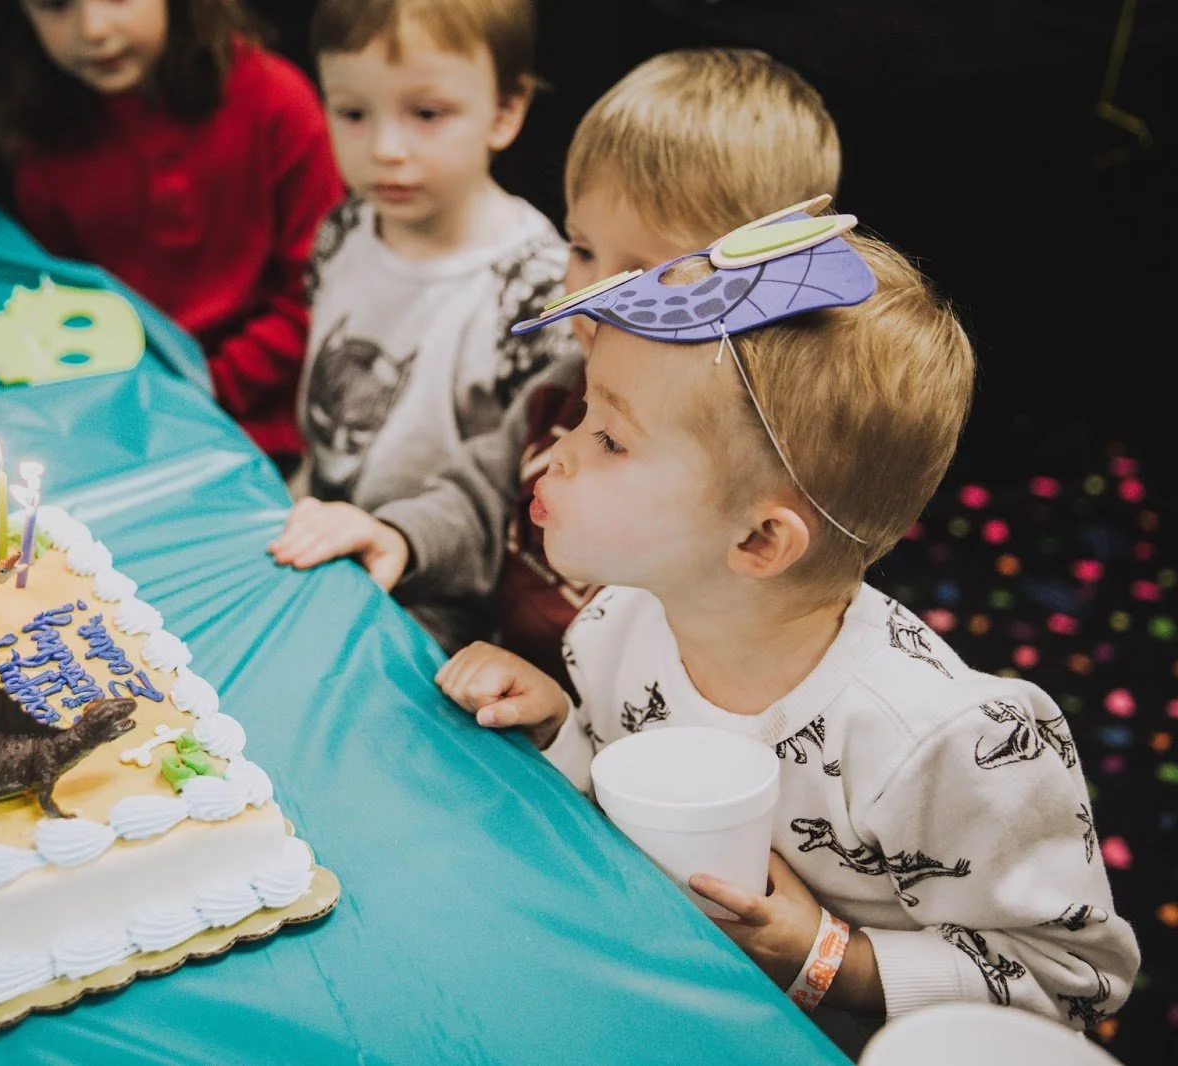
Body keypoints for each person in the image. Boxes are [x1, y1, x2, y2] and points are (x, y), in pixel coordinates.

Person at [436, 214, 1139, 1050]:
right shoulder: (619, 622)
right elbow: (639, 823)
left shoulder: (946, 745)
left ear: (759, 542)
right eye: (586, 413)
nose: (556, 453)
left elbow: (1075, 977)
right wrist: (560, 729)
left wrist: (833, 958)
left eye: (612, 438)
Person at [269, 46, 839, 668]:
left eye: (644, 272)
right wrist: (400, 534)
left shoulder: (742, 469)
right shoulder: (559, 387)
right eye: (583, 249)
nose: (590, 297)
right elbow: (476, 496)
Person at [266, 0, 581, 653]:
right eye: (352, 113)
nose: (385, 150)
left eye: (428, 115)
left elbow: (513, 505)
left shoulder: (536, 290)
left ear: (505, 111)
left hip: (437, 600)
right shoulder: (345, 228)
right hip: (315, 536)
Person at [0, 0, 344, 475]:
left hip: (266, 427)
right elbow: (66, 301)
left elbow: (318, 300)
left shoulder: (278, 102)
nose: (94, 29)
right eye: (55, 5)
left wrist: (204, 387)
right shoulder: (45, 141)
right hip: (120, 418)